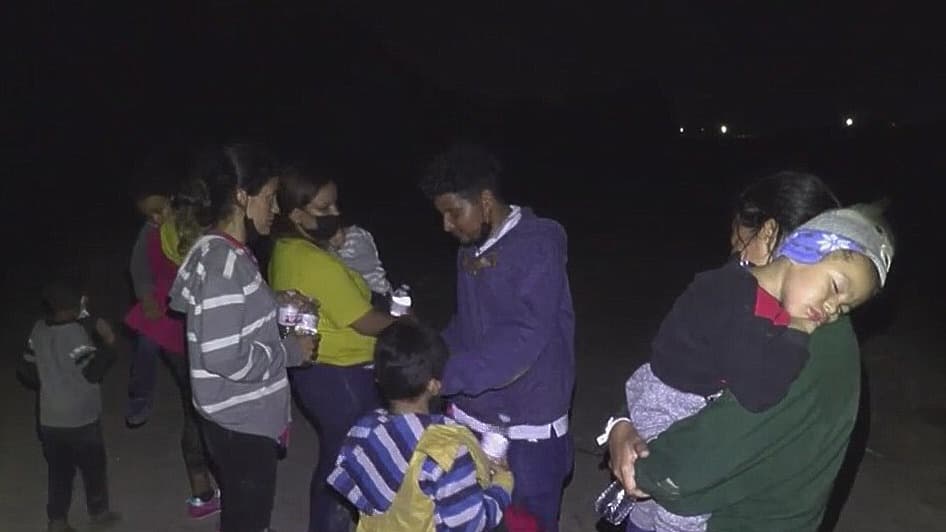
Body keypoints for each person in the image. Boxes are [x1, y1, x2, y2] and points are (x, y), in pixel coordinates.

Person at [602, 171, 885, 531]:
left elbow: (686, 468)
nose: (737, 257)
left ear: (769, 234)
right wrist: (621, 424)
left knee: (679, 515)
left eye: (741, 242)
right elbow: (674, 363)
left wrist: (640, 464)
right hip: (672, 419)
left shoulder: (810, 331)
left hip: (735, 512)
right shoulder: (740, 297)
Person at [418, 142, 576, 532]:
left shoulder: (538, 245)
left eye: (454, 212)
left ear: (485, 201)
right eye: (441, 215)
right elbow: (466, 323)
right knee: (469, 519)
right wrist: (427, 358)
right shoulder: (469, 250)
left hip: (528, 427)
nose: (447, 225)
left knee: (527, 523)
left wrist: (446, 377)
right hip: (473, 416)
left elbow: (523, 337)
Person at [168, 143, 315, 532]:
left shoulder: (220, 249)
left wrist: (273, 301)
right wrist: (291, 351)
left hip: (231, 418)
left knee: (242, 514)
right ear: (241, 196)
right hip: (241, 423)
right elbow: (222, 356)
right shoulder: (224, 265)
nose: (276, 208)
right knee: (248, 520)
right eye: (269, 197)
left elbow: (222, 312)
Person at [268, 164, 398, 532]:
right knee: (345, 467)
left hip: (320, 372)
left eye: (336, 204)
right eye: (323, 208)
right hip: (341, 377)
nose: (335, 214)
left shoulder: (287, 248)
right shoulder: (312, 261)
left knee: (340, 459)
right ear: (296, 214)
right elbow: (364, 320)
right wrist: (406, 325)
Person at [328, 320, 514, 531]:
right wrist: (502, 484)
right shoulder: (448, 451)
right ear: (434, 385)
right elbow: (469, 523)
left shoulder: (363, 431)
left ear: (378, 377)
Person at [17, 280, 122, 532]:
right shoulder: (74, 333)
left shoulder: (39, 329)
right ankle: (99, 512)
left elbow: (27, 371)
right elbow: (93, 372)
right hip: (81, 418)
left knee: (59, 473)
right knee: (93, 468)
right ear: (70, 308)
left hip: (50, 417)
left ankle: (57, 520)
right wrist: (109, 342)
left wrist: (51, 380)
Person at [123, 176, 176, 428]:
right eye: (148, 215)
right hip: (159, 297)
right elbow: (139, 266)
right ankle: (140, 398)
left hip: (190, 298)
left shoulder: (190, 225)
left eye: (159, 210)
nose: (155, 218)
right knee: (146, 343)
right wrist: (145, 297)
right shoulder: (150, 231)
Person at [326, 222, 395, 308]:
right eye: (328, 236)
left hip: (377, 292)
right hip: (359, 296)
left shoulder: (357, 236)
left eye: (335, 233)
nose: (333, 239)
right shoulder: (329, 248)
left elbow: (359, 265)